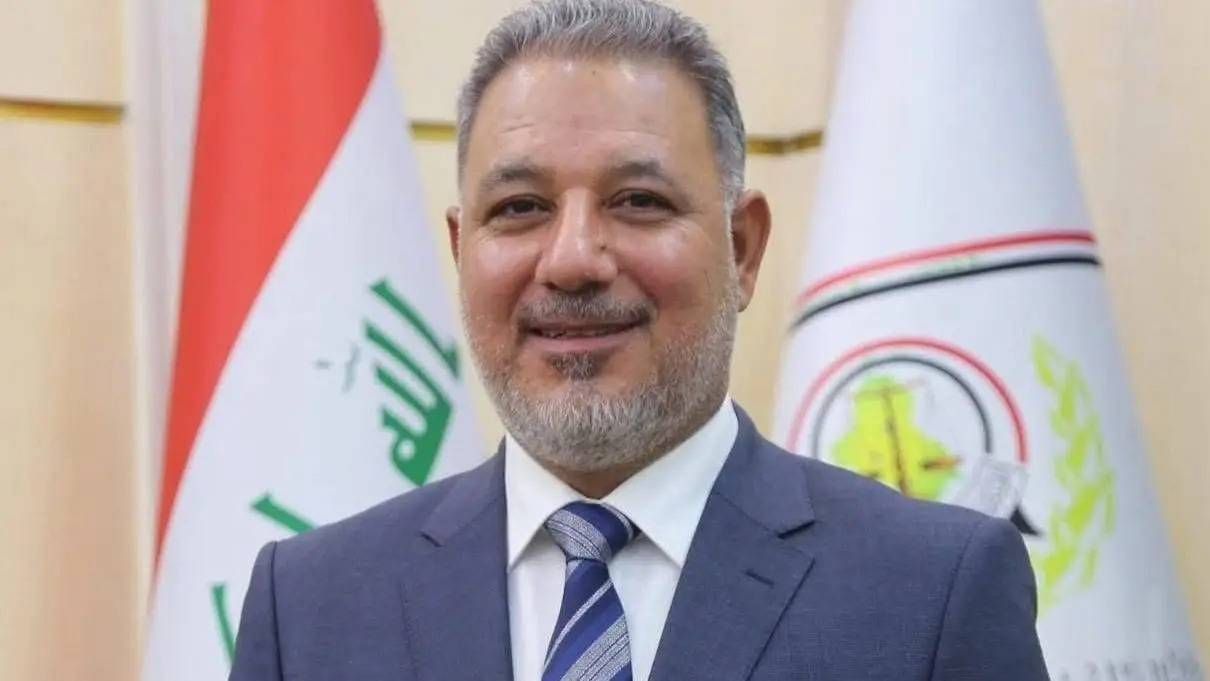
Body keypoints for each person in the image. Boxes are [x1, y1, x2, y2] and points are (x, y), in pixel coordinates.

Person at [229, 1, 1050, 679]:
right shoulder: (308, 607)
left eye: (638, 201)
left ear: (742, 250)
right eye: (520, 208)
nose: (572, 259)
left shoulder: (932, 592)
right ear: (461, 251)